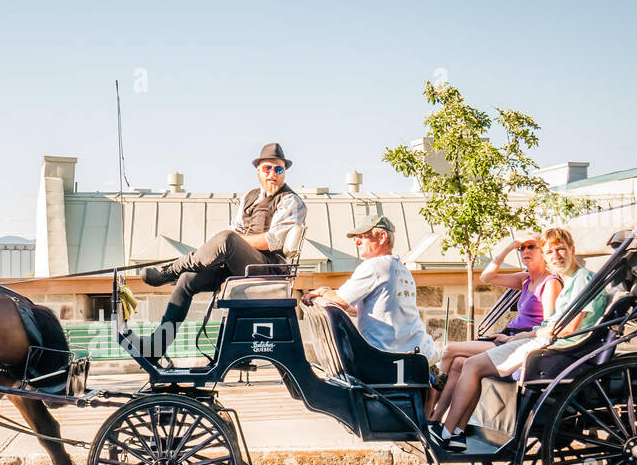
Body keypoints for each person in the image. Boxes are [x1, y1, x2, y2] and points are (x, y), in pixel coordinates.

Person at [431, 226, 608, 451]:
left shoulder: (578, 280)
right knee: (464, 363)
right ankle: (452, 430)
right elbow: (553, 324)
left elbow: (567, 329)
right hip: (539, 340)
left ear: (572, 249)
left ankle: (446, 430)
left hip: (552, 347)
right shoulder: (567, 279)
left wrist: (526, 335)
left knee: (470, 363)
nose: (556, 256)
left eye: (561, 250)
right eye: (550, 251)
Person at [138, 142, 305, 363]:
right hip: (239, 264)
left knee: (227, 239)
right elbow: (236, 227)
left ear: (284, 172)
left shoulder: (291, 201)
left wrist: (232, 243)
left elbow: (271, 240)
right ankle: (156, 347)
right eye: (268, 168)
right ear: (258, 171)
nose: (273, 174)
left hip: (267, 267)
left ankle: (172, 270)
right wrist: (220, 251)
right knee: (188, 280)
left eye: (279, 169)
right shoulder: (250, 197)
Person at [427, 232, 561, 415]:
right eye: (522, 248)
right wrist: (509, 247)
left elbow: (548, 324)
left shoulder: (550, 282)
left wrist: (513, 338)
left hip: (521, 340)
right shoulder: (525, 279)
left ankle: (429, 409)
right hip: (508, 334)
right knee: (458, 362)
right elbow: (486, 276)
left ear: (543, 251)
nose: (525, 251)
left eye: (531, 247)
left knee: (450, 349)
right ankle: (435, 418)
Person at [302, 213, 439, 361]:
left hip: (388, 355)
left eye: (362, 237)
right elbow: (378, 308)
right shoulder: (401, 268)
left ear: (382, 237)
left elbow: (341, 299)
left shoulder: (375, 266)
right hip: (419, 350)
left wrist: (321, 291)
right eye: (356, 238)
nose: (357, 242)